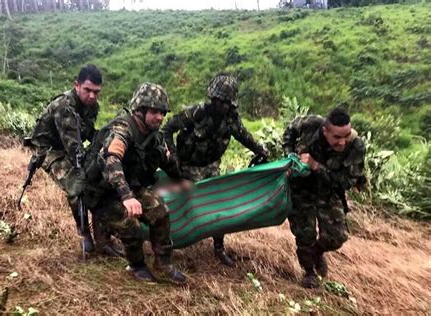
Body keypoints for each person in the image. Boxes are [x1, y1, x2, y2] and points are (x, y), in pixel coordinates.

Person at [83, 82, 189, 284]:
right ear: (140, 110)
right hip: (103, 195)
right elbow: (111, 159)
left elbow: (169, 163)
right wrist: (127, 196)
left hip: (131, 189)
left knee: (160, 211)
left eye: (163, 113)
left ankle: (163, 264)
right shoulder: (123, 129)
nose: (160, 117)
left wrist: (184, 179)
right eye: (155, 111)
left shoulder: (154, 136)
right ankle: (136, 265)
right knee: (130, 224)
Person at [163, 73, 268, 267]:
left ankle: (219, 248)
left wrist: (260, 150)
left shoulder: (231, 119)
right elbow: (167, 129)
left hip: (211, 166)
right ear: (213, 98)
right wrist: (173, 157)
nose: (223, 106)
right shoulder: (195, 112)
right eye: (219, 101)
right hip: (188, 166)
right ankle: (169, 241)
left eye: (227, 102)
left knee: (218, 205)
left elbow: (244, 136)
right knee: (181, 203)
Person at [29, 64, 121, 257]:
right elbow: (74, 149)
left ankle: (103, 238)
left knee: (99, 178)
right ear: (76, 86)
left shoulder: (92, 106)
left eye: (96, 92)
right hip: (49, 148)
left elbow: (86, 134)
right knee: (75, 183)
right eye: (87, 90)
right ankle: (84, 233)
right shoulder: (64, 106)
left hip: (71, 144)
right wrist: (86, 168)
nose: (92, 96)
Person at [283, 107, 366, 288]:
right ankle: (309, 272)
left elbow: (344, 183)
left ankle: (316, 252)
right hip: (300, 189)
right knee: (305, 234)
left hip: (328, 190)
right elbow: (290, 129)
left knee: (337, 237)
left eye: (346, 135)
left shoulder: (356, 146)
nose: (342, 142)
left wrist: (316, 166)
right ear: (325, 130)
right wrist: (290, 154)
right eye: (337, 137)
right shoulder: (310, 124)